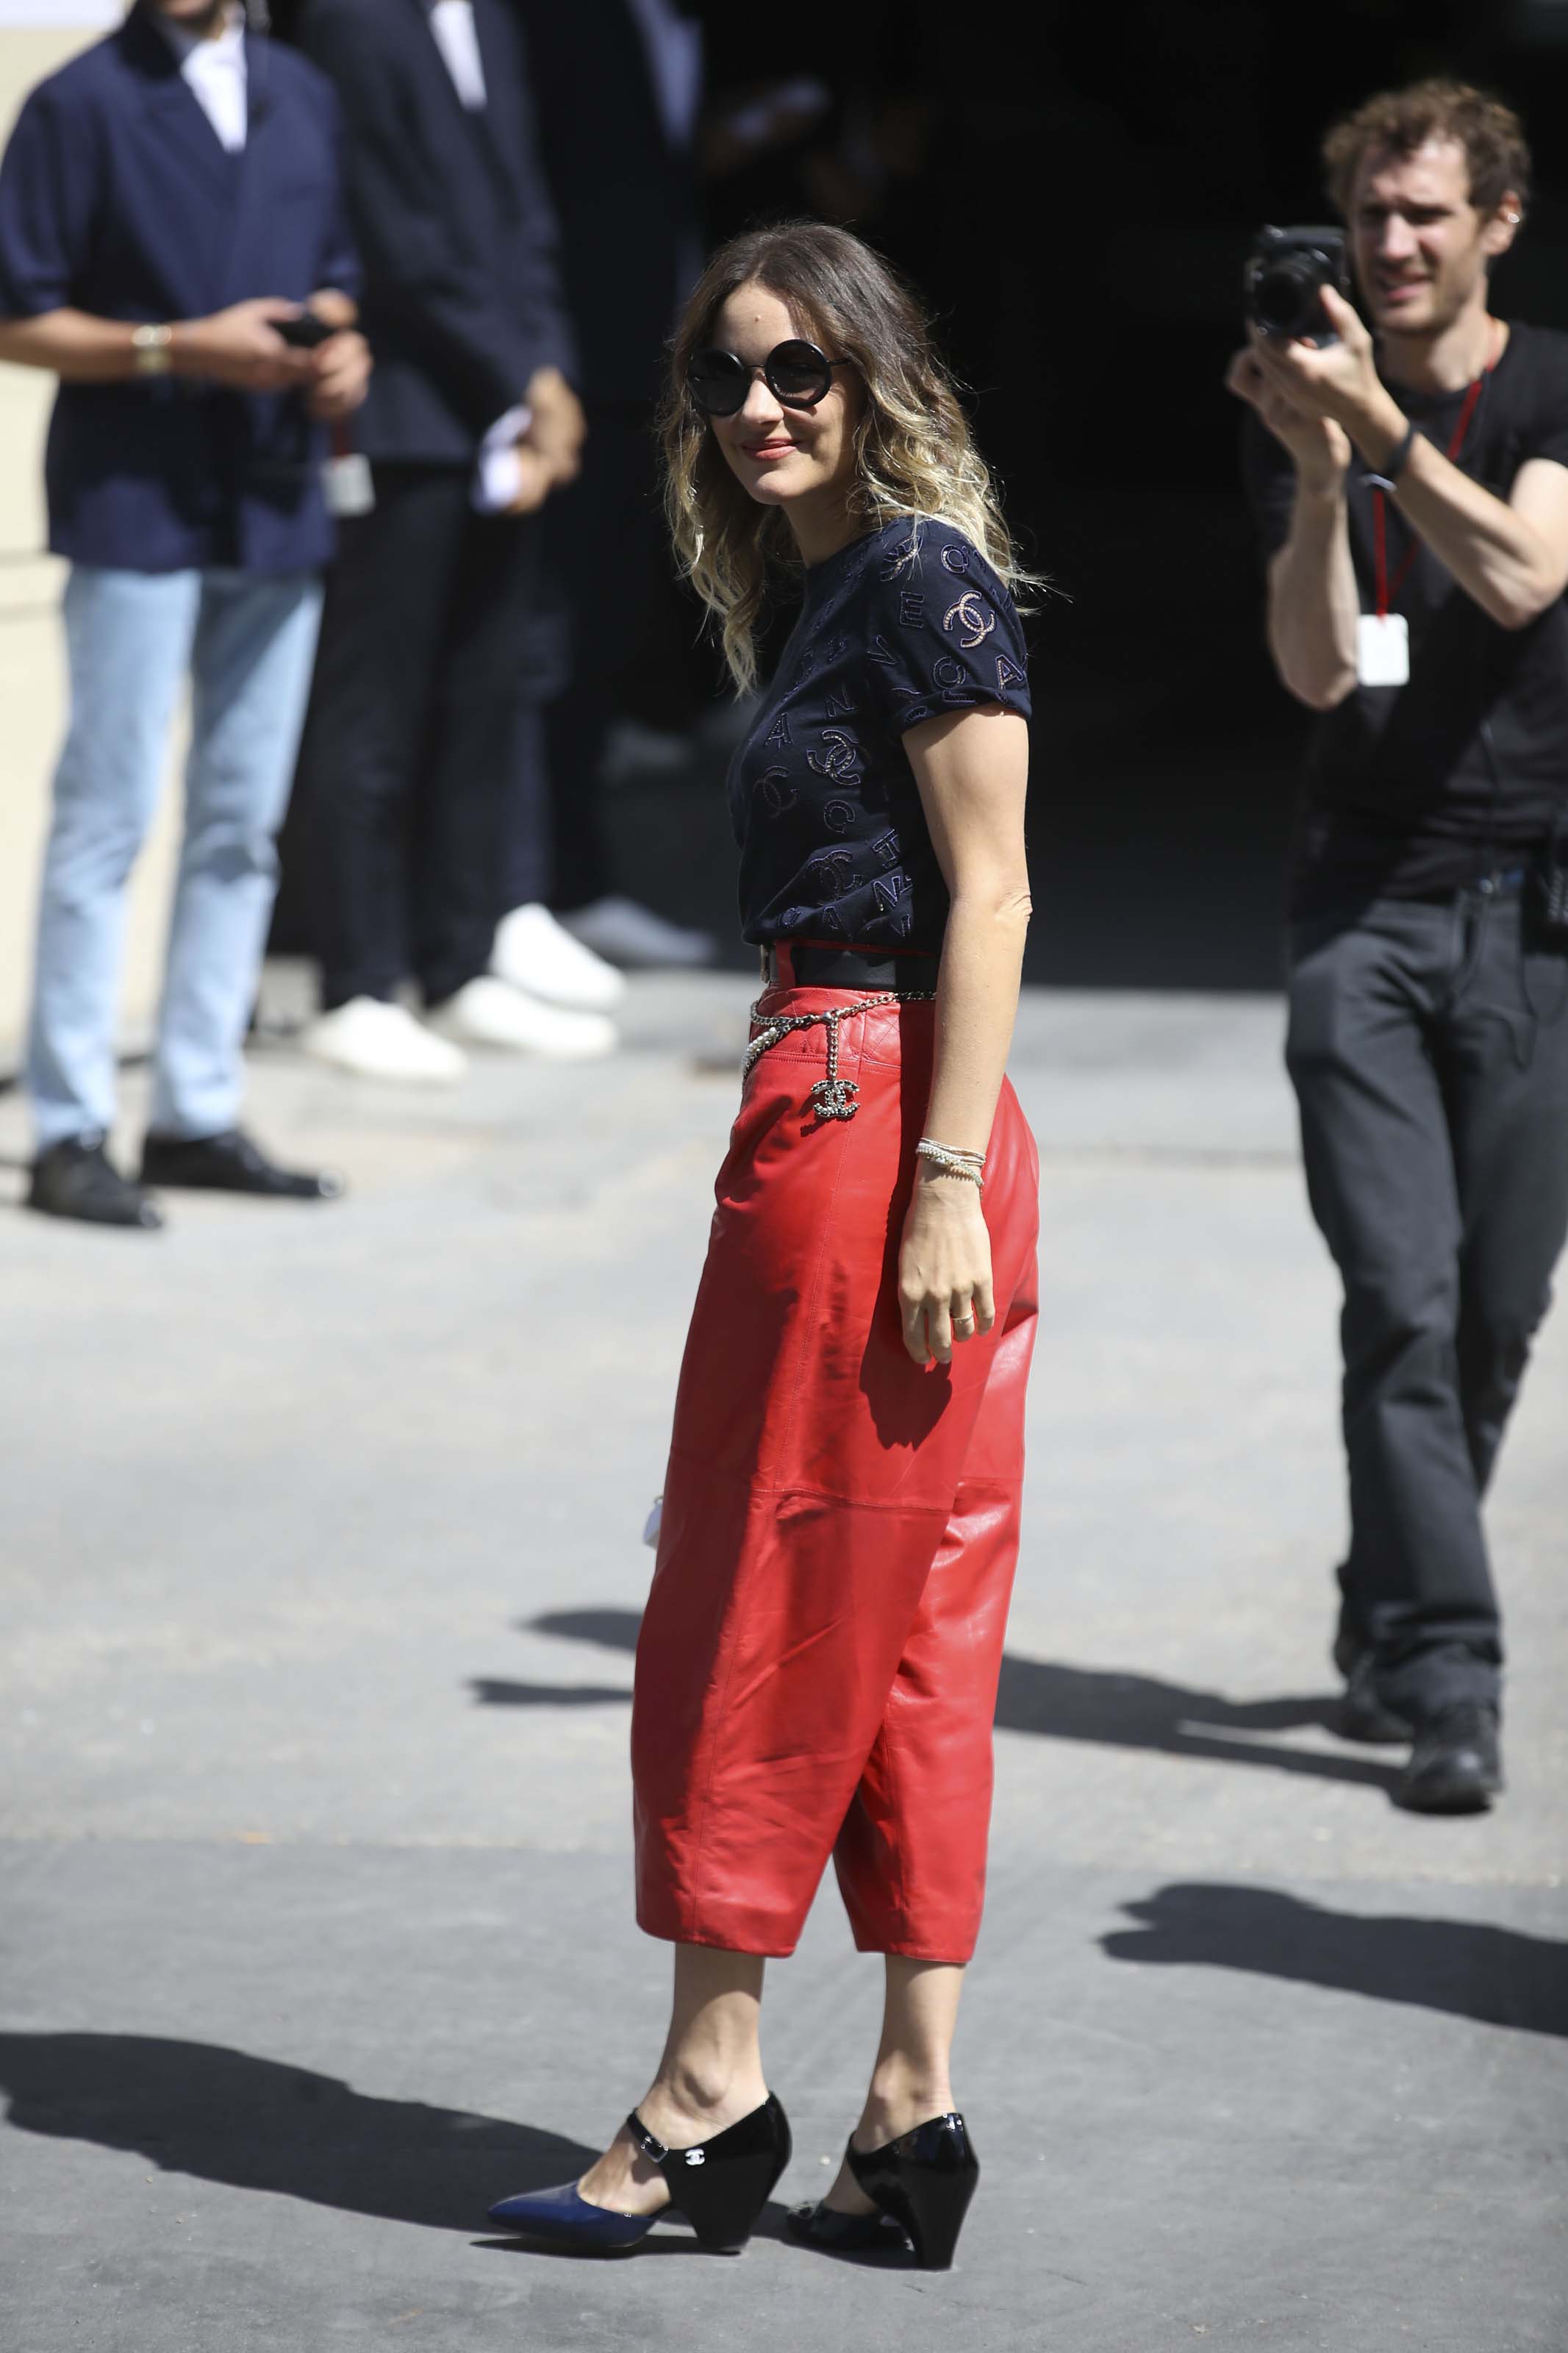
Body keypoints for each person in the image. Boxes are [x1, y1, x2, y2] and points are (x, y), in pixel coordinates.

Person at [485, 221, 1039, 2267]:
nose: (757, 408)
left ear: (878, 376)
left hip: (872, 1121)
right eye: (726, 376)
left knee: (755, 1602)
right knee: (899, 1628)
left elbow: (986, 895)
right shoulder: (834, 593)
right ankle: (909, 2115)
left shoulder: (911, 576)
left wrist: (940, 1182)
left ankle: (705, 2094)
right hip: (873, 1119)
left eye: (799, 368)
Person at [1228, 79, 1568, 1813]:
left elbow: (1522, 577)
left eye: (1426, 214)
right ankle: (1447, 1668)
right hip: (1355, 911)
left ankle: (1377, 1601)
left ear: (1494, 221)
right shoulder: (1301, 397)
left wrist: (1385, 430)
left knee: (1493, 1318)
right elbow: (1306, 668)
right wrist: (1311, 469)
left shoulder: (1550, 384)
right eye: (1368, 216)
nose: (1392, 245)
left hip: (1533, 918)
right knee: (1400, 1303)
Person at [0, 0, 370, 1229]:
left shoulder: (300, 93)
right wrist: (177, 346)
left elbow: (339, 275)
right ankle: (65, 1126)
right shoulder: (80, 102)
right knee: (104, 817)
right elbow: (17, 315)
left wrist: (343, 349)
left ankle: (194, 1111)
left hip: (270, 499)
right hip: (133, 503)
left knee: (239, 820)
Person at [292, 0, 620, 1087]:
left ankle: (461, 958)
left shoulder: (485, 17)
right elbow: (396, 233)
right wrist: (519, 379)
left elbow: (523, 207)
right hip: (405, 414)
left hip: (501, 412)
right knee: (373, 704)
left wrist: (550, 373)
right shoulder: (351, 21)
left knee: (484, 691)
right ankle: (357, 982)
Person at [514, 0, 718, 972]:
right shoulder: (562, 23)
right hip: (568, 381)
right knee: (551, 640)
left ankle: (562, 881)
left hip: (657, 368)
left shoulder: (684, 32)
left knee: (601, 624)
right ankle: (542, 889)